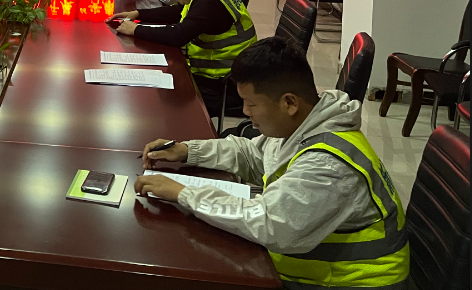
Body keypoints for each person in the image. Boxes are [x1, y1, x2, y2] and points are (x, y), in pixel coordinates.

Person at [135, 37, 409, 290]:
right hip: (316, 270)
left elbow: (270, 224)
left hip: (349, 283)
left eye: (251, 104)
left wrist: (183, 193)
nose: (245, 112)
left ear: (289, 102)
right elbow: (251, 155)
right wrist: (187, 151)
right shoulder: (305, 122)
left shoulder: (328, 165)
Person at [111, 0, 256, 116]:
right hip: (222, 73)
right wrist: (139, 14)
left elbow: (178, 36)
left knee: (154, 97)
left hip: (223, 83)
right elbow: (179, 11)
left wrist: (136, 30)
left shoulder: (209, 2)